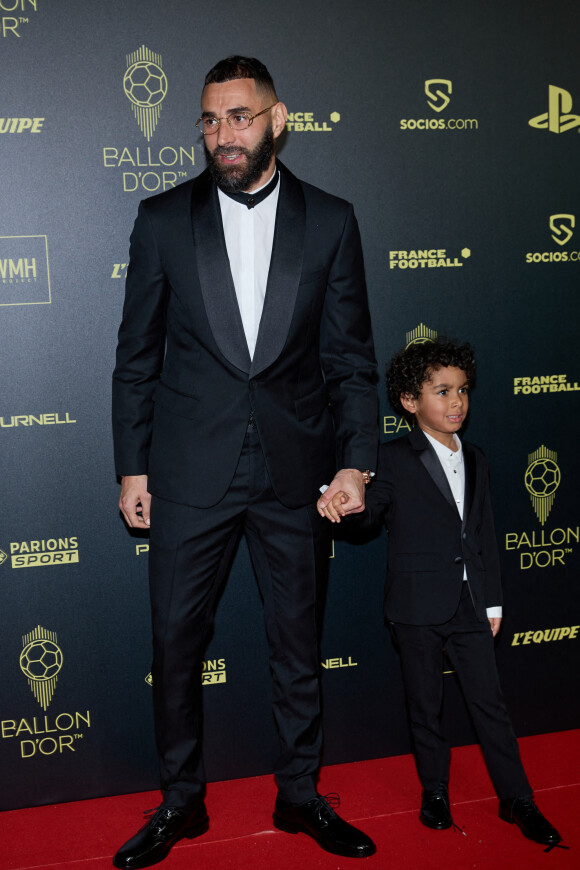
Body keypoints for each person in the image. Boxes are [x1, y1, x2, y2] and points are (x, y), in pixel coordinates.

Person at [111, 55, 378, 868]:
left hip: (297, 473)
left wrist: (356, 463)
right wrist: (132, 466)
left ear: (277, 118)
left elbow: (352, 361)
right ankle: (180, 802)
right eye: (209, 119)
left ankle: (300, 795)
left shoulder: (330, 220)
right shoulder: (162, 220)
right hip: (189, 470)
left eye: (239, 116)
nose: (222, 134)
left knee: (298, 644)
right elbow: (136, 358)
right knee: (174, 644)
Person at [319, 338, 561, 847]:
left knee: (490, 705)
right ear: (410, 401)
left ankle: (517, 799)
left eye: (463, 391)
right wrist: (344, 503)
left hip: (471, 604)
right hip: (414, 609)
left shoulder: (477, 457)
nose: (457, 402)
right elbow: (367, 522)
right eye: (443, 391)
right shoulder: (388, 459)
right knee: (424, 704)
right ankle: (435, 791)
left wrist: (492, 600)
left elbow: (485, 533)